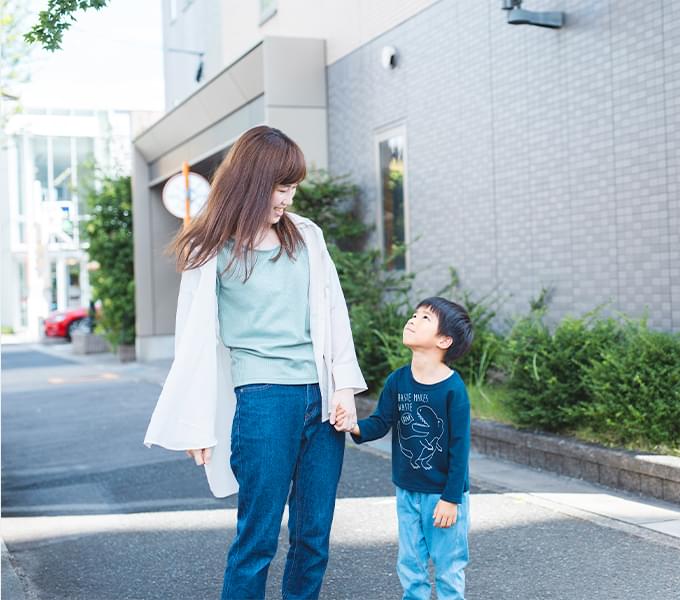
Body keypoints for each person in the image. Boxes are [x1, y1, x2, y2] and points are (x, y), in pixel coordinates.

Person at [143, 125, 367, 600]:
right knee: (257, 538)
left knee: (314, 537)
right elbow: (194, 342)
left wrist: (344, 388)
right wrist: (196, 423)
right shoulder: (211, 248)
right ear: (251, 180)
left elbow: (333, 312)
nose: (289, 198)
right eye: (282, 187)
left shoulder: (306, 235)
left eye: (293, 188)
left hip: (322, 401)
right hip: (263, 400)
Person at [336, 297, 473, 600]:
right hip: (407, 491)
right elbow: (381, 422)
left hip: (444, 495)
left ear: (444, 339)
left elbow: (460, 448)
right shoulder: (398, 380)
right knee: (410, 563)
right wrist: (354, 426)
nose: (412, 320)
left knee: (448, 565)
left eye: (425, 318)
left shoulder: (453, 389)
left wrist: (451, 499)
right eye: (414, 314)